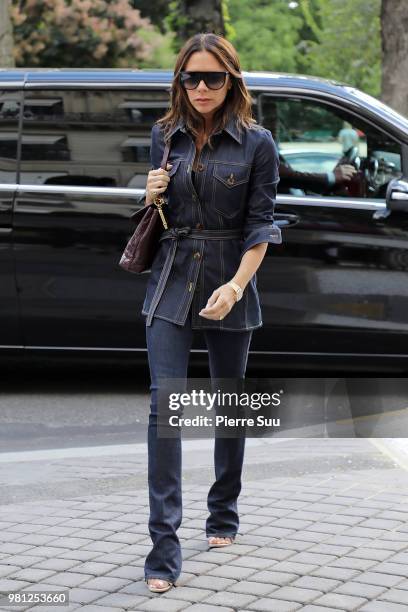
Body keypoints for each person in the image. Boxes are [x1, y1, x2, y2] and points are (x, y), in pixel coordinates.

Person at [140, 32, 282, 594]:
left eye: (213, 78)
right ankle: (163, 547)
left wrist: (236, 285)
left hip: (230, 275)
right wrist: (150, 191)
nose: (201, 88)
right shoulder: (163, 136)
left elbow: (261, 224)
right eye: (191, 78)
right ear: (180, 81)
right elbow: (161, 216)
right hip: (171, 278)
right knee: (165, 406)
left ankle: (223, 511)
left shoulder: (257, 143)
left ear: (232, 81)